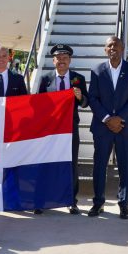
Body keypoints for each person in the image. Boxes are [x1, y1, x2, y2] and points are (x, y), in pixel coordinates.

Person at [88, 36, 128, 219]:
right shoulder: (96, 70)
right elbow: (92, 98)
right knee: (99, 166)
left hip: (124, 128)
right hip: (102, 128)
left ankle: (124, 204)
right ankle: (98, 203)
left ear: (122, 48)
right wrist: (107, 119)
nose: (113, 48)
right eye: (109, 45)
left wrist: (120, 119)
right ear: (105, 50)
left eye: (116, 45)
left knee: (126, 167)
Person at [38, 44, 89, 214]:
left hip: (70, 128)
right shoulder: (45, 79)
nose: (62, 61)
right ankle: (42, 199)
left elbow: (85, 103)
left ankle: (71, 201)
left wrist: (80, 96)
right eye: (58, 58)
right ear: (53, 61)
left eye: (65, 58)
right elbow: (39, 104)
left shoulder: (78, 79)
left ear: (70, 60)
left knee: (71, 163)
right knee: (46, 163)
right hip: (50, 129)